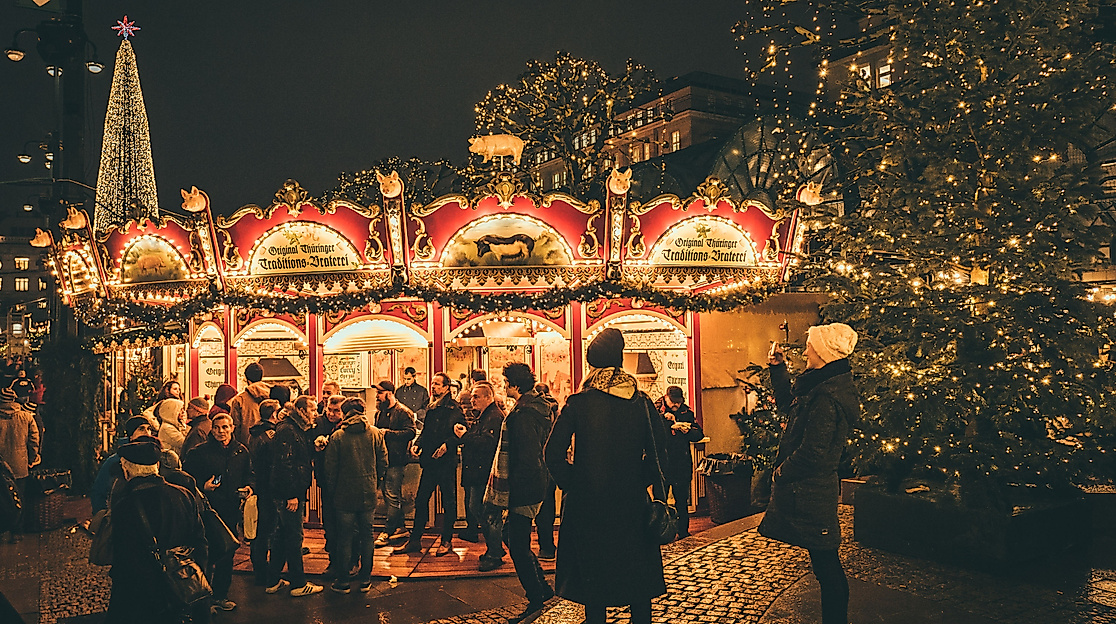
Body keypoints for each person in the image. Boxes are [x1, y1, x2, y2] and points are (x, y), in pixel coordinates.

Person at [544, 328, 666, 624]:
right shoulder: (641, 402)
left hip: (588, 503)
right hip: (631, 502)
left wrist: (573, 482)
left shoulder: (579, 402)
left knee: (593, 579)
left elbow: (551, 453)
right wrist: (640, 480)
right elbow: (660, 448)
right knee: (637, 578)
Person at [759, 323, 860, 624]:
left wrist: (781, 473)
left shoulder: (827, 397)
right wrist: (777, 369)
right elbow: (789, 404)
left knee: (827, 564)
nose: (805, 352)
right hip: (812, 490)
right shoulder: (820, 385)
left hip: (813, 492)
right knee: (824, 562)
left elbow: (814, 451)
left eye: (810, 348)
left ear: (824, 354)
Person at [105, 438, 209, 624]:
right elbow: (200, 542)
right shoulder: (184, 495)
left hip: (144, 599)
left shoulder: (125, 506)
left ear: (127, 469)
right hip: (181, 589)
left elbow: (125, 558)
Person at [488, 363, 554, 621]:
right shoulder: (537, 408)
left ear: (515, 385)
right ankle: (542, 588)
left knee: (517, 544)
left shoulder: (523, 414)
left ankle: (536, 597)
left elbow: (526, 457)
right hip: (536, 482)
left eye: (506, 382)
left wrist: (512, 492)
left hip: (525, 486)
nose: (505, 387)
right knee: (510, 535)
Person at [183, 411, 253, 613]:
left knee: (227, 552)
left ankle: (221, 595)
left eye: (225, 427)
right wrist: (202, 486)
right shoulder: (199, 452)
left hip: (231, 510)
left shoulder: (241, 451)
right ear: (211, 430)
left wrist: (249, 487)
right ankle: (202, 597)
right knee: (205, 553)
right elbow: (186, 479)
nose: (221, 431)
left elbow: (250, 474)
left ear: (232, 428)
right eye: (217, 427)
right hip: (207, 510)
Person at [395, 372, 465, 556]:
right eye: (433, 384)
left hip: (445, 462)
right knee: (420, 500)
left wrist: (447, 444)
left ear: (446, 387)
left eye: (437, 384)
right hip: (430, 461)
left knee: (449, 502)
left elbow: (461, 432)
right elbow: (426, 431)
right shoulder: (432, 407)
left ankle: (446, 540)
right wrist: (418, 444)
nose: (433, 387)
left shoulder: (454, 408)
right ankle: (415, 539)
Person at [322, 397, 388, 594]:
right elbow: (383, 462)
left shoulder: (338, 436)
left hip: (344, 495)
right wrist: (374, 482)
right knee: (367, 536)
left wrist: (332, 491)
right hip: (368, 493)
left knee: (344, 537)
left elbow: (330, 469)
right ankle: (365, 580)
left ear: (345, 413)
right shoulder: (376, 433)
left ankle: (343, 581)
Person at [265, 395, 323, 597]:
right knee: (294, 536)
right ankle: (298, 583)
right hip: (289, 492)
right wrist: (291, 494)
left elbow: (296, 456)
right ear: (301, 410)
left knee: (282, 535)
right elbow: (284, 464)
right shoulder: (288, 430)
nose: (316, 414)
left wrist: (313, 448)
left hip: (290, 491)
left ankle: (272, 580)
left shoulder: (296, 429)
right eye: (312, 410)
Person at [459, 381, 506, 569]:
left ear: (488, 397)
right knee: (480, 510)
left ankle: (495, 553)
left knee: (487, 513)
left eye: (476, 396)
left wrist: (465, 436)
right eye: (472, 396)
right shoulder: (486, 416)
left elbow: (487, 444)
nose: (472, 400)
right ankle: (494, 548)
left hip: (484, 473)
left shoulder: (493, 417)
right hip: (480, 473)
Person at [370, 381, 416, 548]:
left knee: (392, 496)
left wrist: (387, 434)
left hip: (396, 460)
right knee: (390, 496)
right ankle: (401, 527)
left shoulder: (403, 412)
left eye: (380, 393)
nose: (377, 396)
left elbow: (411, 432)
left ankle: (388, 531)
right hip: (382, 460)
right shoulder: (379, 413)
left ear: (389, 393)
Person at [656, 385, 704, 539]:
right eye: (672, 402)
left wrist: (687, 430)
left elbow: (699, 434)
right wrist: (665, 421)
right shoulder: (656, 410)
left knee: (682, 500)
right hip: (662, 462)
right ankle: (661, 532)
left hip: (681, 462)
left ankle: (683, 532)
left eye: (678, 402)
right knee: (660, 500)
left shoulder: (686, 412)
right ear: (666, 398)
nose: (675, 405)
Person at [248, 399, 282, 586]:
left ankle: (258, 568)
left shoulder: (254, 433)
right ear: (273, 415)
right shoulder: (271, 436)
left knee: (258, 529)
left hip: (258, 486)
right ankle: (266, 573)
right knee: (269, 529)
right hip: (269, 487)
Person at [311, 395, 345, 577]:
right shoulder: (317, 424)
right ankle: (333, 560)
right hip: (325, 480)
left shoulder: (347, 427)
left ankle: (350, 560)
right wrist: (315, 446)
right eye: (329, 410)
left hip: (345, 481)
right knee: (330, 522)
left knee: (346, 523)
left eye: (336, 411)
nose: (332, 414)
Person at [91, 416, 154, 515]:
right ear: (131, 436)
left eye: (149, 429)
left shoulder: (155, 457)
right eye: (141, 429)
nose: (147, 433)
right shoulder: (114, 461)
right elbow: (99, 492)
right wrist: (104, 518)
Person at [0, 387, 38, 542]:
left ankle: (2, 530)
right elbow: (34, 440)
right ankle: (17, 532)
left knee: (2, 498)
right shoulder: (26, 417)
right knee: (19, 498)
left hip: (1, 466)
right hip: (19, 464)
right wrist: (32, 458)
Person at [532, 382, 558, 561]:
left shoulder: (534, 411)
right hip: (552, 463)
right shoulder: (556, 409)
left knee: (541, 508)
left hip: (538, 463)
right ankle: (548, 546)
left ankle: (545, 547)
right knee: (549, 506)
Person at [229, 362, 270, 446]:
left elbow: (235, 427)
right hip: (270, 443)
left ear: (247, 379)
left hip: (247, 446)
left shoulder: (239, 400)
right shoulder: (273, 394)